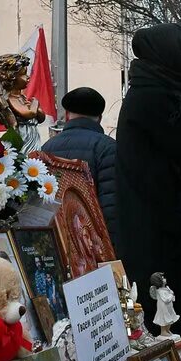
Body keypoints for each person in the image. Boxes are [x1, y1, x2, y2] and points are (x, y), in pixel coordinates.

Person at [117, 23, 181, 329]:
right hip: (154, 230)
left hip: (154, 222)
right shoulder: (156, 99)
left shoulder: (154, 92)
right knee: (168, 319)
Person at [41, 86, 120, 248]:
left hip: (58, 240)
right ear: (99, 117)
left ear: (68, 115)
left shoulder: (47, 147)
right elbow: (111, 204)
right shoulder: (108, 147)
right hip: (93, 243)